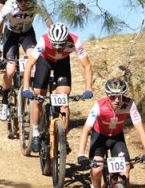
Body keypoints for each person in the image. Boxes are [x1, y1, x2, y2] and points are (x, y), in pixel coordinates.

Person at [76, 77, 145, 188]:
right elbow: (86, 129)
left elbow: (139, 127)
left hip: (117, 138)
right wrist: (81, 154)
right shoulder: (99, 105)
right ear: (107, 95)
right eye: (113, 96)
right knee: (97, 169)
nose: (117, 100)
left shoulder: (129, 104)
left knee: (126, 170)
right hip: (99, 137)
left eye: (120, 96)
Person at [21, 23, 94, 153]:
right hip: (45, 61)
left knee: (64, 99)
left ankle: (62, 137)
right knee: (38, 98)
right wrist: (26, 88)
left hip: (62, 64)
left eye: (61, 45)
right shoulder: (44, 40)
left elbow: (87, 66)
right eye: (55, 45)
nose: (57, 48)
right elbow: (29, 64)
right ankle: (36, 133)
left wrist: (89, 88)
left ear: (66, 39)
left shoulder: (75, 41)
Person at [0, 0, 39, 121]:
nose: (23, 2)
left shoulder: (35, 5)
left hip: (27, 35)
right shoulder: (9, 7)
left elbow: (49, 22)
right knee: (10, 71)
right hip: (11, 35)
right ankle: (4, 101)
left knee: (33, 60)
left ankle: (30, 89)